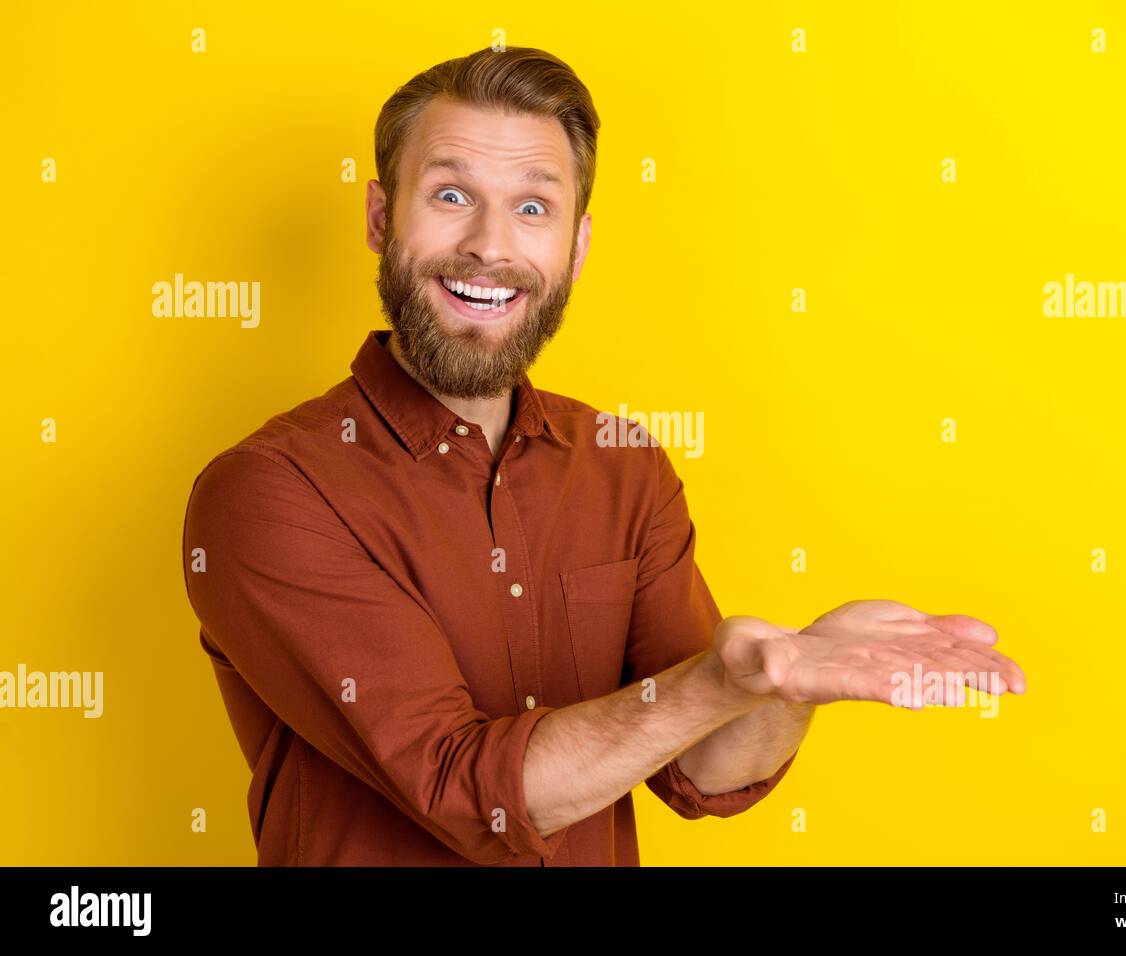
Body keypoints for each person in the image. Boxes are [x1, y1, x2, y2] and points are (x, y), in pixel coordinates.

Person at [181, 45, 1026, 866]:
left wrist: (787, 679)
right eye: (449, 195)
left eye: (533, 207)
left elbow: (702, 767)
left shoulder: (623, 466)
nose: (490, 244)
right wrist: (723, 678)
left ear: (577, 247)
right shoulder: (267, 493)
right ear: (378, 217)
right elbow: (463, 788)